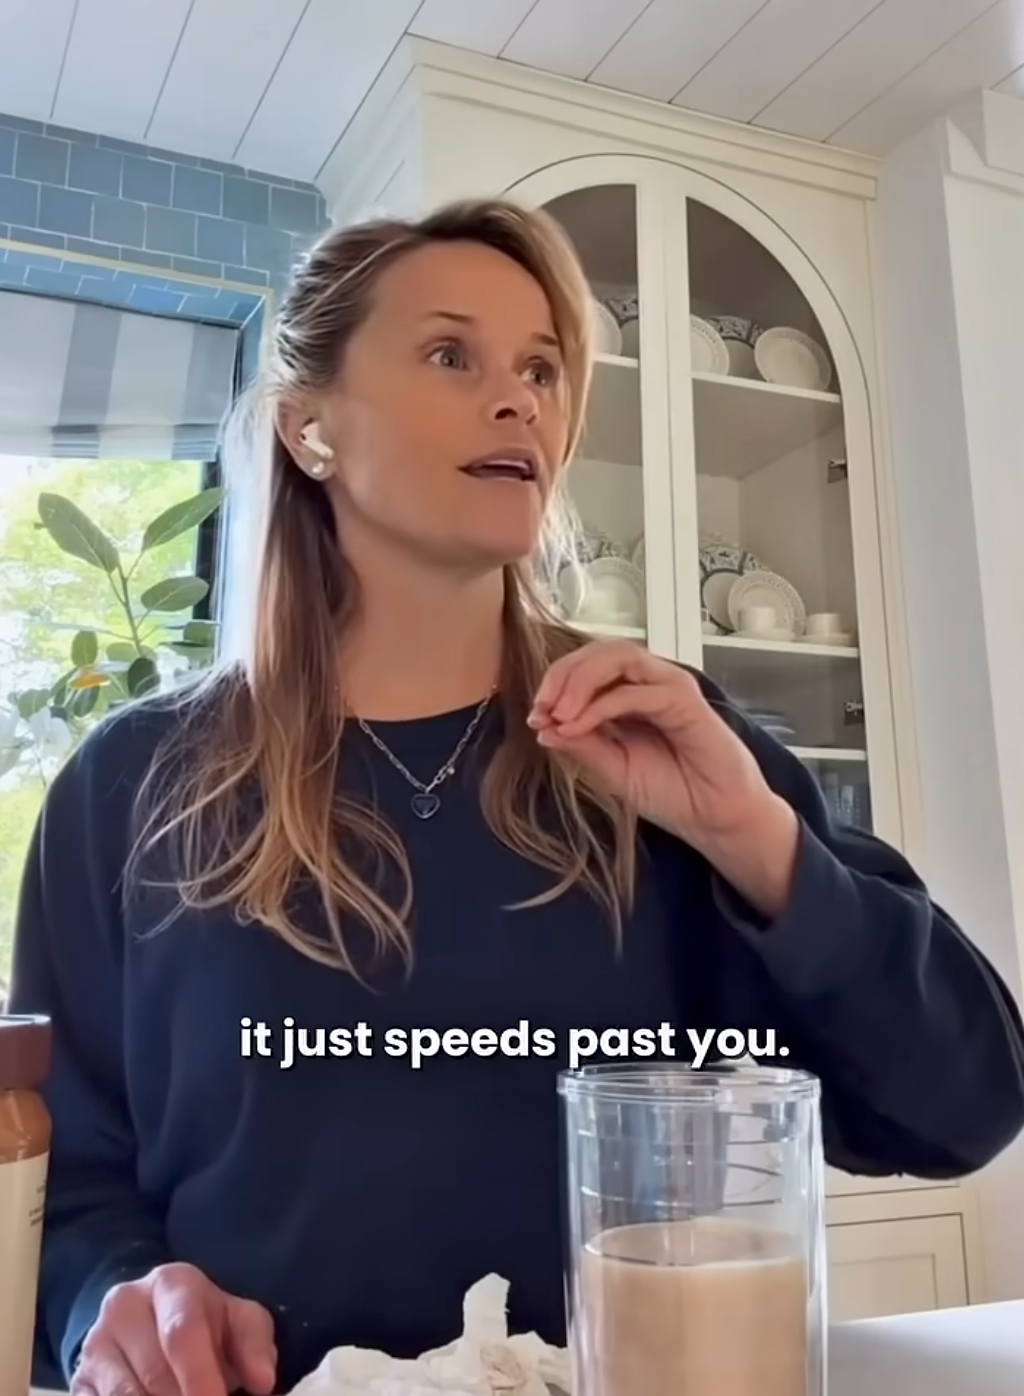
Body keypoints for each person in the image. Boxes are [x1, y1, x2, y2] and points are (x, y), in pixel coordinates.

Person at [9, 195, 1024, 1396]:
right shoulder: (128, 785)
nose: (520, 401)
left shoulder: (665, 740)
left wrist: (754, 837)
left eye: (541, 368)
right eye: (452, 355)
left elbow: (965, 1105)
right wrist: (115, 1297)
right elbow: (63, 1182)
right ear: (308, 427)